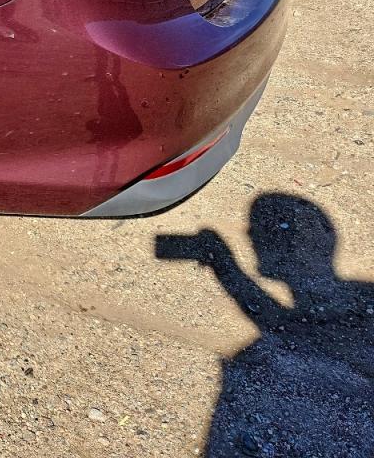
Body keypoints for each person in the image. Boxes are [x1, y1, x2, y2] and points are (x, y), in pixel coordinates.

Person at [157, 194, 374, 457]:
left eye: (258, 229)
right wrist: (224, 266)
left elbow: (299, 334)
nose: (249, 235)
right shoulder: (351, 310)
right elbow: (294, 330)